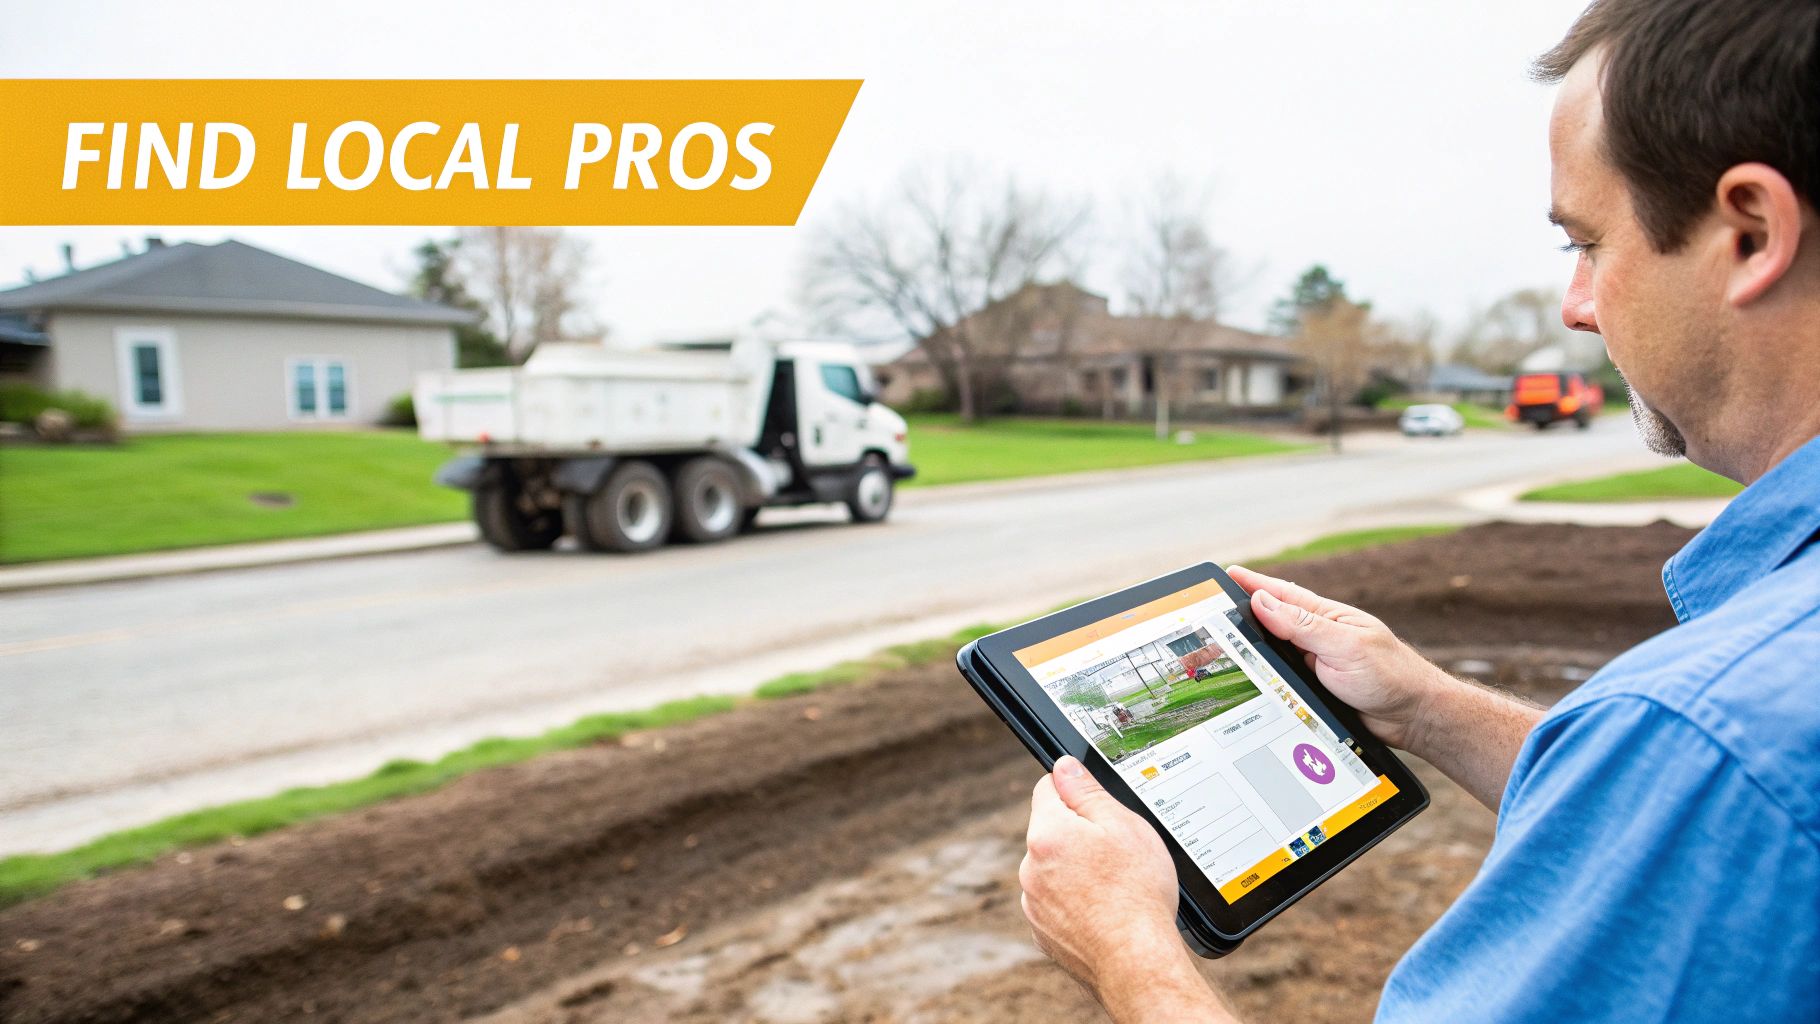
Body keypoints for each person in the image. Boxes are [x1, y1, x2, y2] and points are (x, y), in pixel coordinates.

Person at [1016, 1, 1820, 1019]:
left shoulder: (1709, 732)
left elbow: (1707, 773)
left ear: (1748, 232)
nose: (1574, 305)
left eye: (1585, 240)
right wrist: (1425, 706)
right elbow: (1695, 806)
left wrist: (1127, 949)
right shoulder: (1713, 744)